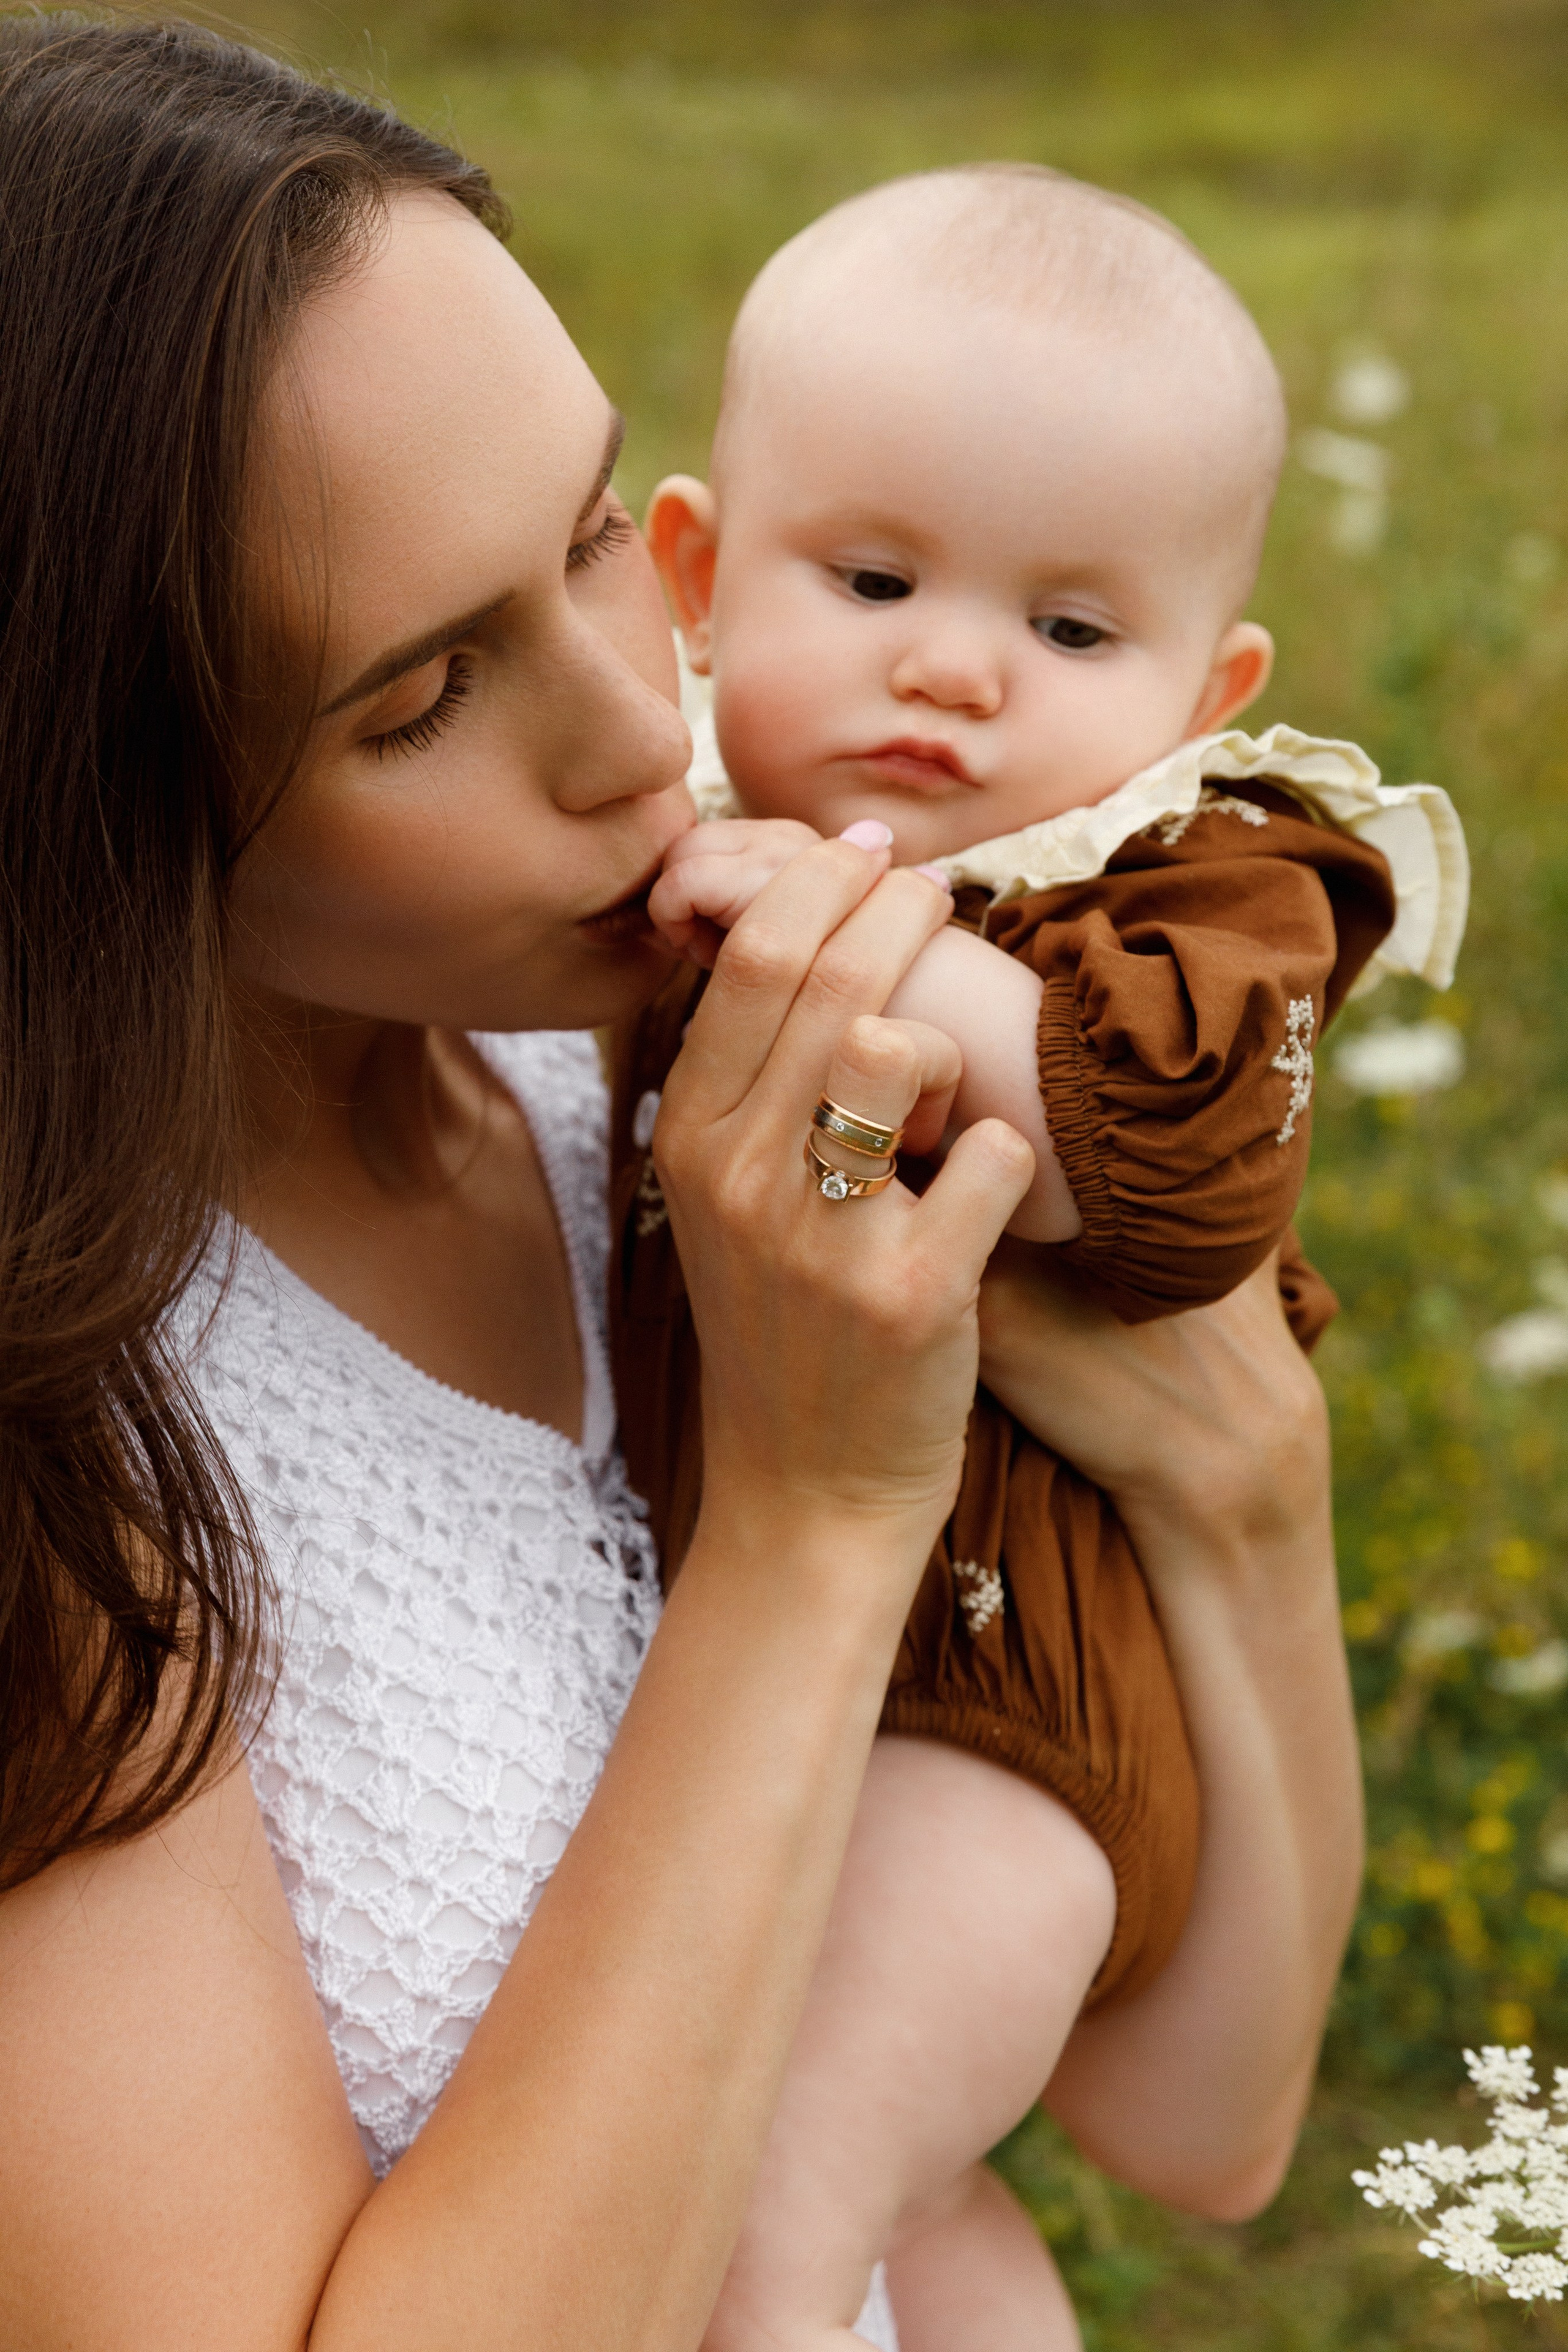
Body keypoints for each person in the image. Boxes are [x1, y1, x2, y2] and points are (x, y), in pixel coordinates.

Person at [0, 28, 1359, 2352]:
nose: (651, 728)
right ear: (90, 815)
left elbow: (1205, 2123)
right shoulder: (77, 1455)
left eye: (594, 534)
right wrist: (821, 1527)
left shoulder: (691, 1039)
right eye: (418, 698)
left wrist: (1250, 1490)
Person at [608, 166, 1466, 2348]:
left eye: (1078, 633)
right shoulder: (659, 804)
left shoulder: (1204, 880)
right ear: (699, 574)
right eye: (876, 574)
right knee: (925, 2228)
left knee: (771, 2197)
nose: (961, 671)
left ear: (1209, 686)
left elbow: (1164, 1172)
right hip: (741, 1665)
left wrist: (838, 933)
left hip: (1009, 1727)